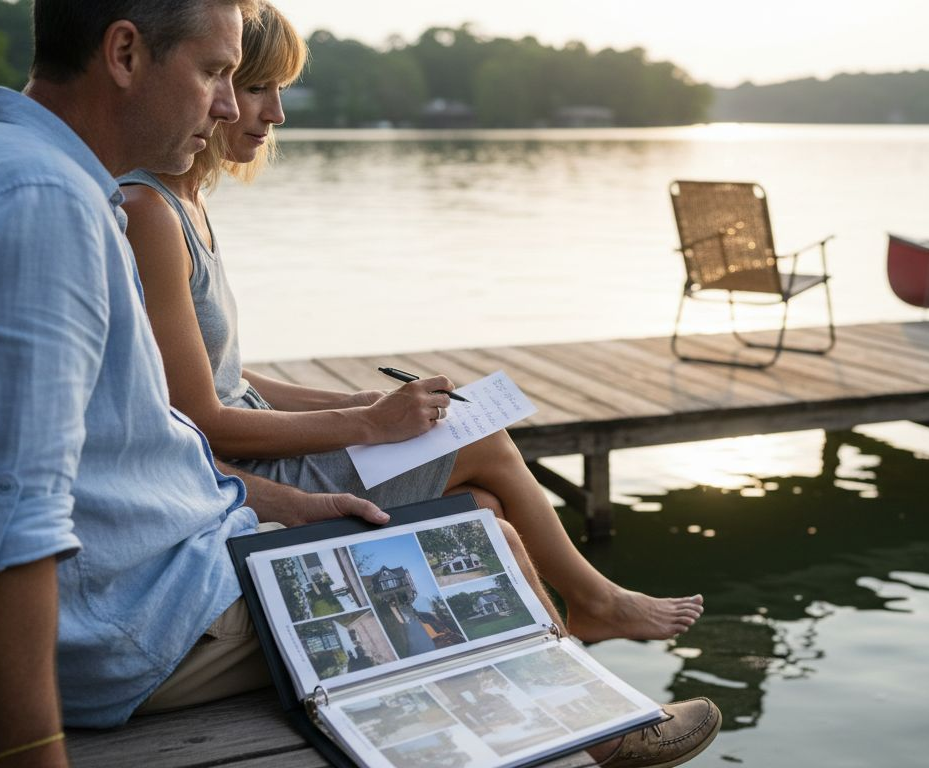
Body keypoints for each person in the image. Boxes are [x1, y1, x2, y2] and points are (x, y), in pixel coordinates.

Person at [0, 2, 719, 766]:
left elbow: (137, 445)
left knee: (475, 517)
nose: (231, 105)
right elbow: (7, 514)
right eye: (216, 72)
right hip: (137, 626)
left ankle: (589, 721)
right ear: (125, 53)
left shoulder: (3, 165)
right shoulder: (41, 206)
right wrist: (30, 756)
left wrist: (288, 502)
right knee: (485, 544)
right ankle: (595, 740)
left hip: (156, 570)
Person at [120, 2, 704, 645]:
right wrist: (370, 424)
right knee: (483, 443)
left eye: (275, 89)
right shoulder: (151, 211)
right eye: (254, 86)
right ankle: (596, 602)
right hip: (242, 473)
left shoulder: (189, 202)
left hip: (264, 444)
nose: (273, 112)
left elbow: (219, 375)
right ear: (210, 84)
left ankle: (561, 673)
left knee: (482, 512)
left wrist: (354, 402)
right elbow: (198, 417)